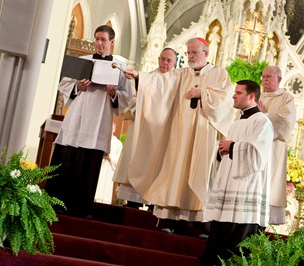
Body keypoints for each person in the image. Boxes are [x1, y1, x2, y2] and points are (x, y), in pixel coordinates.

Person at [122, 38, 235, 225]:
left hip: (202, 135)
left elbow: (225, 101)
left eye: (194, 53)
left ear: (206, 53)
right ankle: (169, 220)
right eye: (188, 53)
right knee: (173, 172)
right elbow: (160, 82)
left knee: (199, 173)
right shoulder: (181, 74)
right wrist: (138, 76)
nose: (190, 56)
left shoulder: (219, 74)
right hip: (179, 134)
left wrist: (203, 94)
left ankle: (195, 222)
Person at [45, 25, 133, 218]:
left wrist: (113, 94)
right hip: (77, 119)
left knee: (89, 166)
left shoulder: (119, 67)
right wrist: (77, 86)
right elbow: (63, 85)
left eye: (103, 40)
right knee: (67, 160)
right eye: (97, 39)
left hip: (99, 121)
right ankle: (57, 204)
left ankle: (82, 209)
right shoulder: (82, 61)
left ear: (112, 42)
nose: (99, 43)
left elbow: (128, 97)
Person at [201, 80, 274, 265]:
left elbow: (258, 154)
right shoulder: (236, 123)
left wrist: (233, 147)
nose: (233, 95)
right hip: (229, 188)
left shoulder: (262, 122)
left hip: (246, 192)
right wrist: (221, 151)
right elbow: (227, 154)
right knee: (219, 240)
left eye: (238, 93)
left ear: (251, 97)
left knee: (236, 248)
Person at [113, 47, 178, 209]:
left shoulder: (177, 81)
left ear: (175, 63)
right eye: (162, 59)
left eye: (169, 60)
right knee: (135, 161)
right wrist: (137, 80)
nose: (165, 63)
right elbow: (133, 101)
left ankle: (153, 207)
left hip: (163, 133)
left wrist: (138, 77)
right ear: (158, 59)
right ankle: (132, 204)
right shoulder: (149, 77)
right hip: (143, 130)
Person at [258, 66, 296, 226]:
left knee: (270, 181)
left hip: (274, 148)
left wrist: (263, 115)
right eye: (263, 77)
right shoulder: (257, 95)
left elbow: (286, 122)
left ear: (279, 79)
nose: (265, 80)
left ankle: (264, 222)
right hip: (256, 147)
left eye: (269, 77)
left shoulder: (286, 98)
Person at [94, 122, 123, 204]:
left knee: (105, 190)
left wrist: (111, 157)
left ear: (114, 130)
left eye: (112, 128)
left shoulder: (118, 144)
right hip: (100, 167)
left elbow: (119, 159)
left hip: (110, 168)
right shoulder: (101, 140)